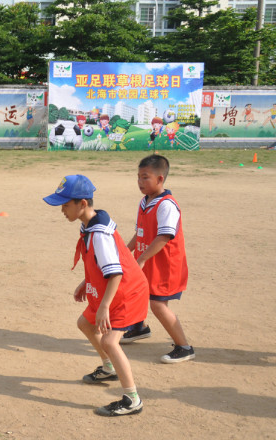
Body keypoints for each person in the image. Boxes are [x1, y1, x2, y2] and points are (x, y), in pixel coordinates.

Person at [43, 174, 149, 416]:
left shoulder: (99, 233)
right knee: (85, 324)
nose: (61, 210)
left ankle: (132, 399)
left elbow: (116, 273)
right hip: (112, 289)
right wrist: (86, 281)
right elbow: (101, 264)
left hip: (127, 292)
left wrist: (104, 307)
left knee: (110, 341)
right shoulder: (89, 224)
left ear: (82, 204)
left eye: (65, 204)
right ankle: (109, 367)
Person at [121, 155, 194, 363]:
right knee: (137, 293)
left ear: (160, 179)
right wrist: (126, 252)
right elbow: (141, 232)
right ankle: (139, 328)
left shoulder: (166, 205)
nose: (140, 182)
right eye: (138, 177)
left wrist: (141, 258)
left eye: (145, 177)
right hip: (147, 262)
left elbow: (164, 236)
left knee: (158, 305)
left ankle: (184, 346)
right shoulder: (145, 202)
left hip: (165, 266)